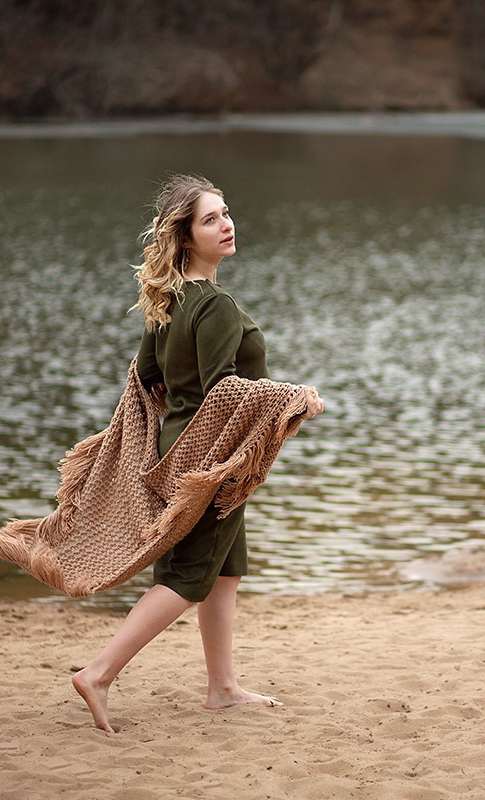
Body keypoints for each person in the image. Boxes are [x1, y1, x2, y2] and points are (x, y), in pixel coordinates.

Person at [71, 174, 324, 733]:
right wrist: (292, 399)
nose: (227, 224)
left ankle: (222, 687)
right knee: (188, 577)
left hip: (183, 450)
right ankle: (99, 673)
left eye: (226, 213)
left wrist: (178, 419)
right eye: (211, 219)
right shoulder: (215, 305)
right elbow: (223, 391)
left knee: (225, 570)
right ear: (185, 237)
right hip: (209, 459)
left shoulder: (169, 299)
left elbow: (147, 375)